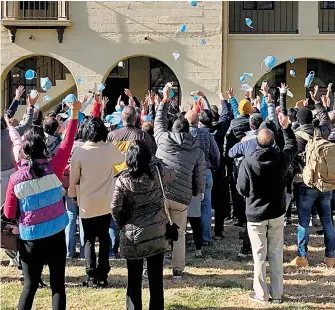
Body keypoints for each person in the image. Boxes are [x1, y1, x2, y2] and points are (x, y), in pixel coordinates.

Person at [3, 100, 80, 310]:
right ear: (43, 150)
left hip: (30, 240)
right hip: (56, 235)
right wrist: (74, 114)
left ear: (23, 154)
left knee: (29, 286)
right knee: (58, 287)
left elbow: (9, 213)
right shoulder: (54, 168)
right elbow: (67, 143)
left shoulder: (16, 179)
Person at [237, 84, 298, 304]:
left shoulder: (248, 161)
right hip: (276, 212)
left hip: (256, 213)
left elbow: (241, 189)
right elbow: (292, 147)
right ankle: (277, 293)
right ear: (272, 143)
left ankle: (262, 294)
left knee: (259, 255)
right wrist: (286, 128)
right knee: (275, 253)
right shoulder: (280, 159)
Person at [111, 140, 174, 310]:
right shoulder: (159, 172)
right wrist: (155, 161)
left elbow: (115, 208)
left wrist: (122, 224)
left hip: (133, 232)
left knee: (133, 280)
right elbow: (172, 173)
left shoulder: (123, 180)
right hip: (157, 229)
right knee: (156, 279)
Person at [154, 83, 206, 278]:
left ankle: (152, 267)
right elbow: (200, 175)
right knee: (180, 233)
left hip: (160, 192)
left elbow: (158, 122)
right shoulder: (196, 150)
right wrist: (195, 192)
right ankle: (177, 269)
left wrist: (165, 100)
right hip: (181, 198)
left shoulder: (163, 139)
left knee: (156, 230)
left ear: (173, 129)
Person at [68, 117, 124, 288]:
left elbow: (73, 179)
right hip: (106, 201)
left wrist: (72, 195)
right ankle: (103, 274)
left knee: (89, 240)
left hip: (87, 202)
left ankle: (91, 275)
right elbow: (121, 159)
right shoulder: (109, 149)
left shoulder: (80, 152)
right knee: (105, 237)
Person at [291, 91, 334, 268]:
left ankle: (302, 257)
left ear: (299, 121)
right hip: (326, 183)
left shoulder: (296, 137)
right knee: (327, 221)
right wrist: (317, 102)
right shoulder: (322, 132)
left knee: (303, 221)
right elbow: (326, 120)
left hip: (305, 183)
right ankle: (331, 257)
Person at [185, 109, 220, 244]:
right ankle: (205, 237)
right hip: (205, 171)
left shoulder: (183, 135)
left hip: (188, 171)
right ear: (197, 121)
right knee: (206, 206)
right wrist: (214, 167)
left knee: (186, 204)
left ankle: (186, 234)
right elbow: (216, 154)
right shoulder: (206, 135)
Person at [1, 86, 34, 205]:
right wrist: (29, 106)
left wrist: (17, 97)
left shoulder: (10, 132)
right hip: (12, 174)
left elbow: (7, 114)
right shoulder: (10, 133)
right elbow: (26, 123)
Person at [107, 105, 157, 174]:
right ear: (136, 118)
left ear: (121, 118)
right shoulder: (143, 135)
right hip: (136, 176)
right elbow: (153, 153)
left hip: (115, 176)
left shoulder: (111, 135)